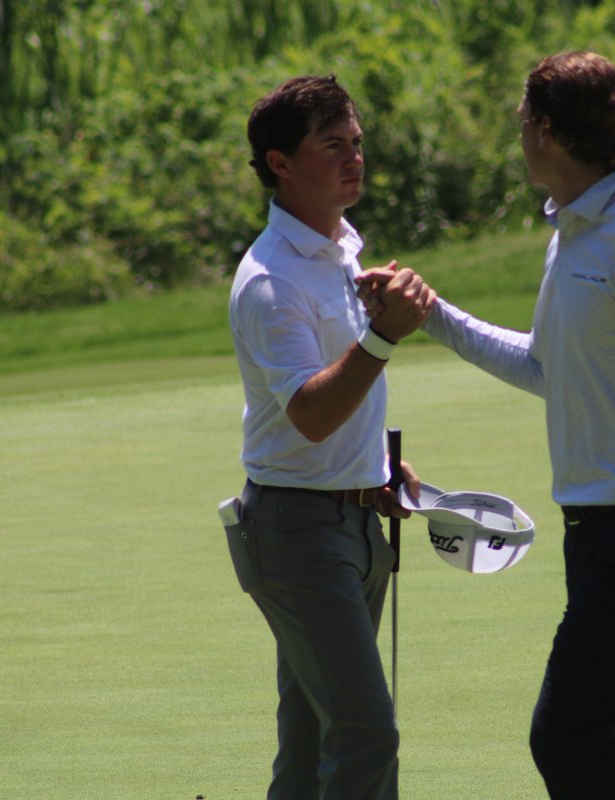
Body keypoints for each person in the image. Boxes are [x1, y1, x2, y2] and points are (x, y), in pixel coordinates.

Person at [359, 51, 615, 798]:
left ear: (546, 131)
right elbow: (547, 370)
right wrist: (434, 317)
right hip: (600, 534)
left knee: (568, 735)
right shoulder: (575, 235)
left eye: (521, 121)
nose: (516, 133)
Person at [227, 74, 435, 800]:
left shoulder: (343, 252)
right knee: (365, 732)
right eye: (332, 145)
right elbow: (310, 414)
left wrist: (382, 464)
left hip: (354, 521)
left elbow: (340, 405)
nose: (354, 159)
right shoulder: (269, 280)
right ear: (280, 163)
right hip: (296, 532)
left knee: (313, 738)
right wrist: (383, 336)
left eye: (357, 143)